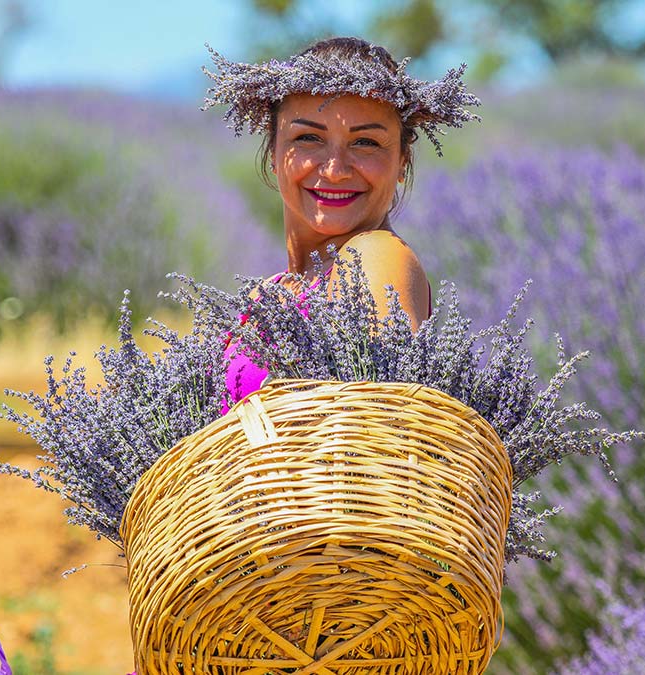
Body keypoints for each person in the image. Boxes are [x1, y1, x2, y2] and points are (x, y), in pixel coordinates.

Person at [202, 36, 480, 408]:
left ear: (402, 161)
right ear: (273, 153)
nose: (334, 170)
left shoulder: (375, 258)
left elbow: (382, 423)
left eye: (366, 142)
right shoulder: (263, 295)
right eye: (308, 138)